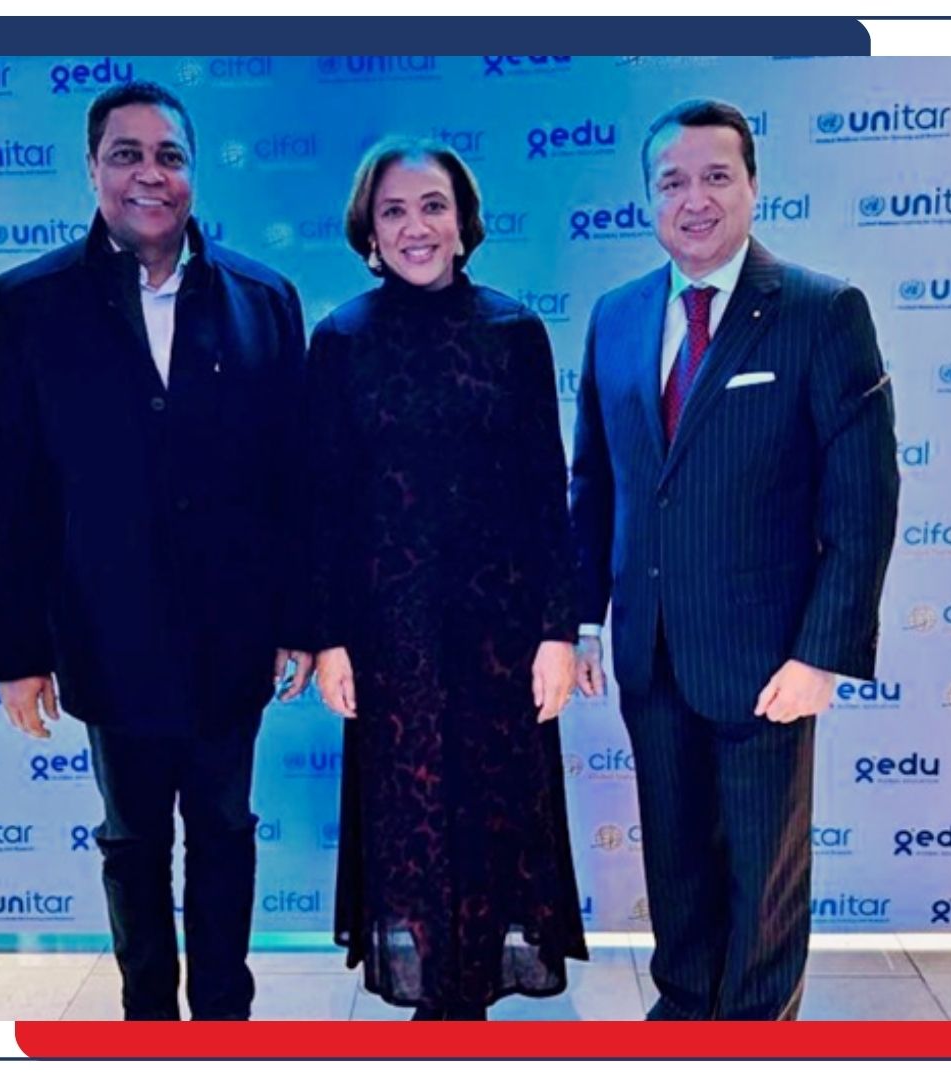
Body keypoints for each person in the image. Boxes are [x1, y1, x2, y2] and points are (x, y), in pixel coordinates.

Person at [0, 81, 312, 1021]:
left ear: (194, 172)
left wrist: (297, 618)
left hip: (232, 639)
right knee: (132, 843)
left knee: (226, 832)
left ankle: (225, 1027)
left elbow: (292, 481)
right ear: (93, 169)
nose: (149, 175)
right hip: (104, 634)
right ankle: (148, 1027)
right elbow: (6, 494)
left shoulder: (264, 300)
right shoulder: (28, 305)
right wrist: (17, 655)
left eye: (170, 155)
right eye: (127, 155)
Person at [569, 99, 899, 1021]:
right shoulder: (617, 317)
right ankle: (682, 1016)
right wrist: (586, 618)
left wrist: (822, 653)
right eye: (672, 181)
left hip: (767, 663)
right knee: (675, 865)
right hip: (650, 655)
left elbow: (864, 500)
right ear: (648, 199)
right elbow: (597, 482)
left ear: (753, 185)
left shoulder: (821, 311)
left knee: (764, 882)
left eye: (717, 176)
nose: (695, 199)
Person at [304, 138, 589, 1021]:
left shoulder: (514, 333)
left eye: (433, 206)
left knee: (495, 823)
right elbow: (324, 505)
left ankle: (470, 1015)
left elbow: (547, 493)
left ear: (464, 223)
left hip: (501, 638)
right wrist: (328, 638)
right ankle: (438, 1013)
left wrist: (558, 632)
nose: (415, 226)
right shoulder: (340, 339)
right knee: (409, 829)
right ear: (369, 230)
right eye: (393, 211)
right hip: (389, 643)